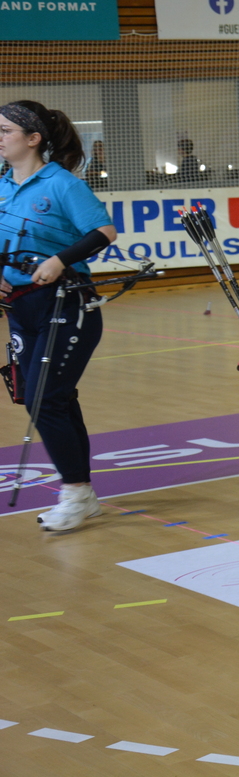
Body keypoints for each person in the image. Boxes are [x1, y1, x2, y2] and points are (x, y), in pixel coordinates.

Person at [0, 101, 118, 532]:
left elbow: (103, 232)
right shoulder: (2, 184)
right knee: (53, 398)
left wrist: (59, 259)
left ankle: (75, 493)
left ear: (34, 139)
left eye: (6, 130)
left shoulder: (62, 183)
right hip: (22, 309)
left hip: (67, 305)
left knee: (44, 399)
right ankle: (83, 495)